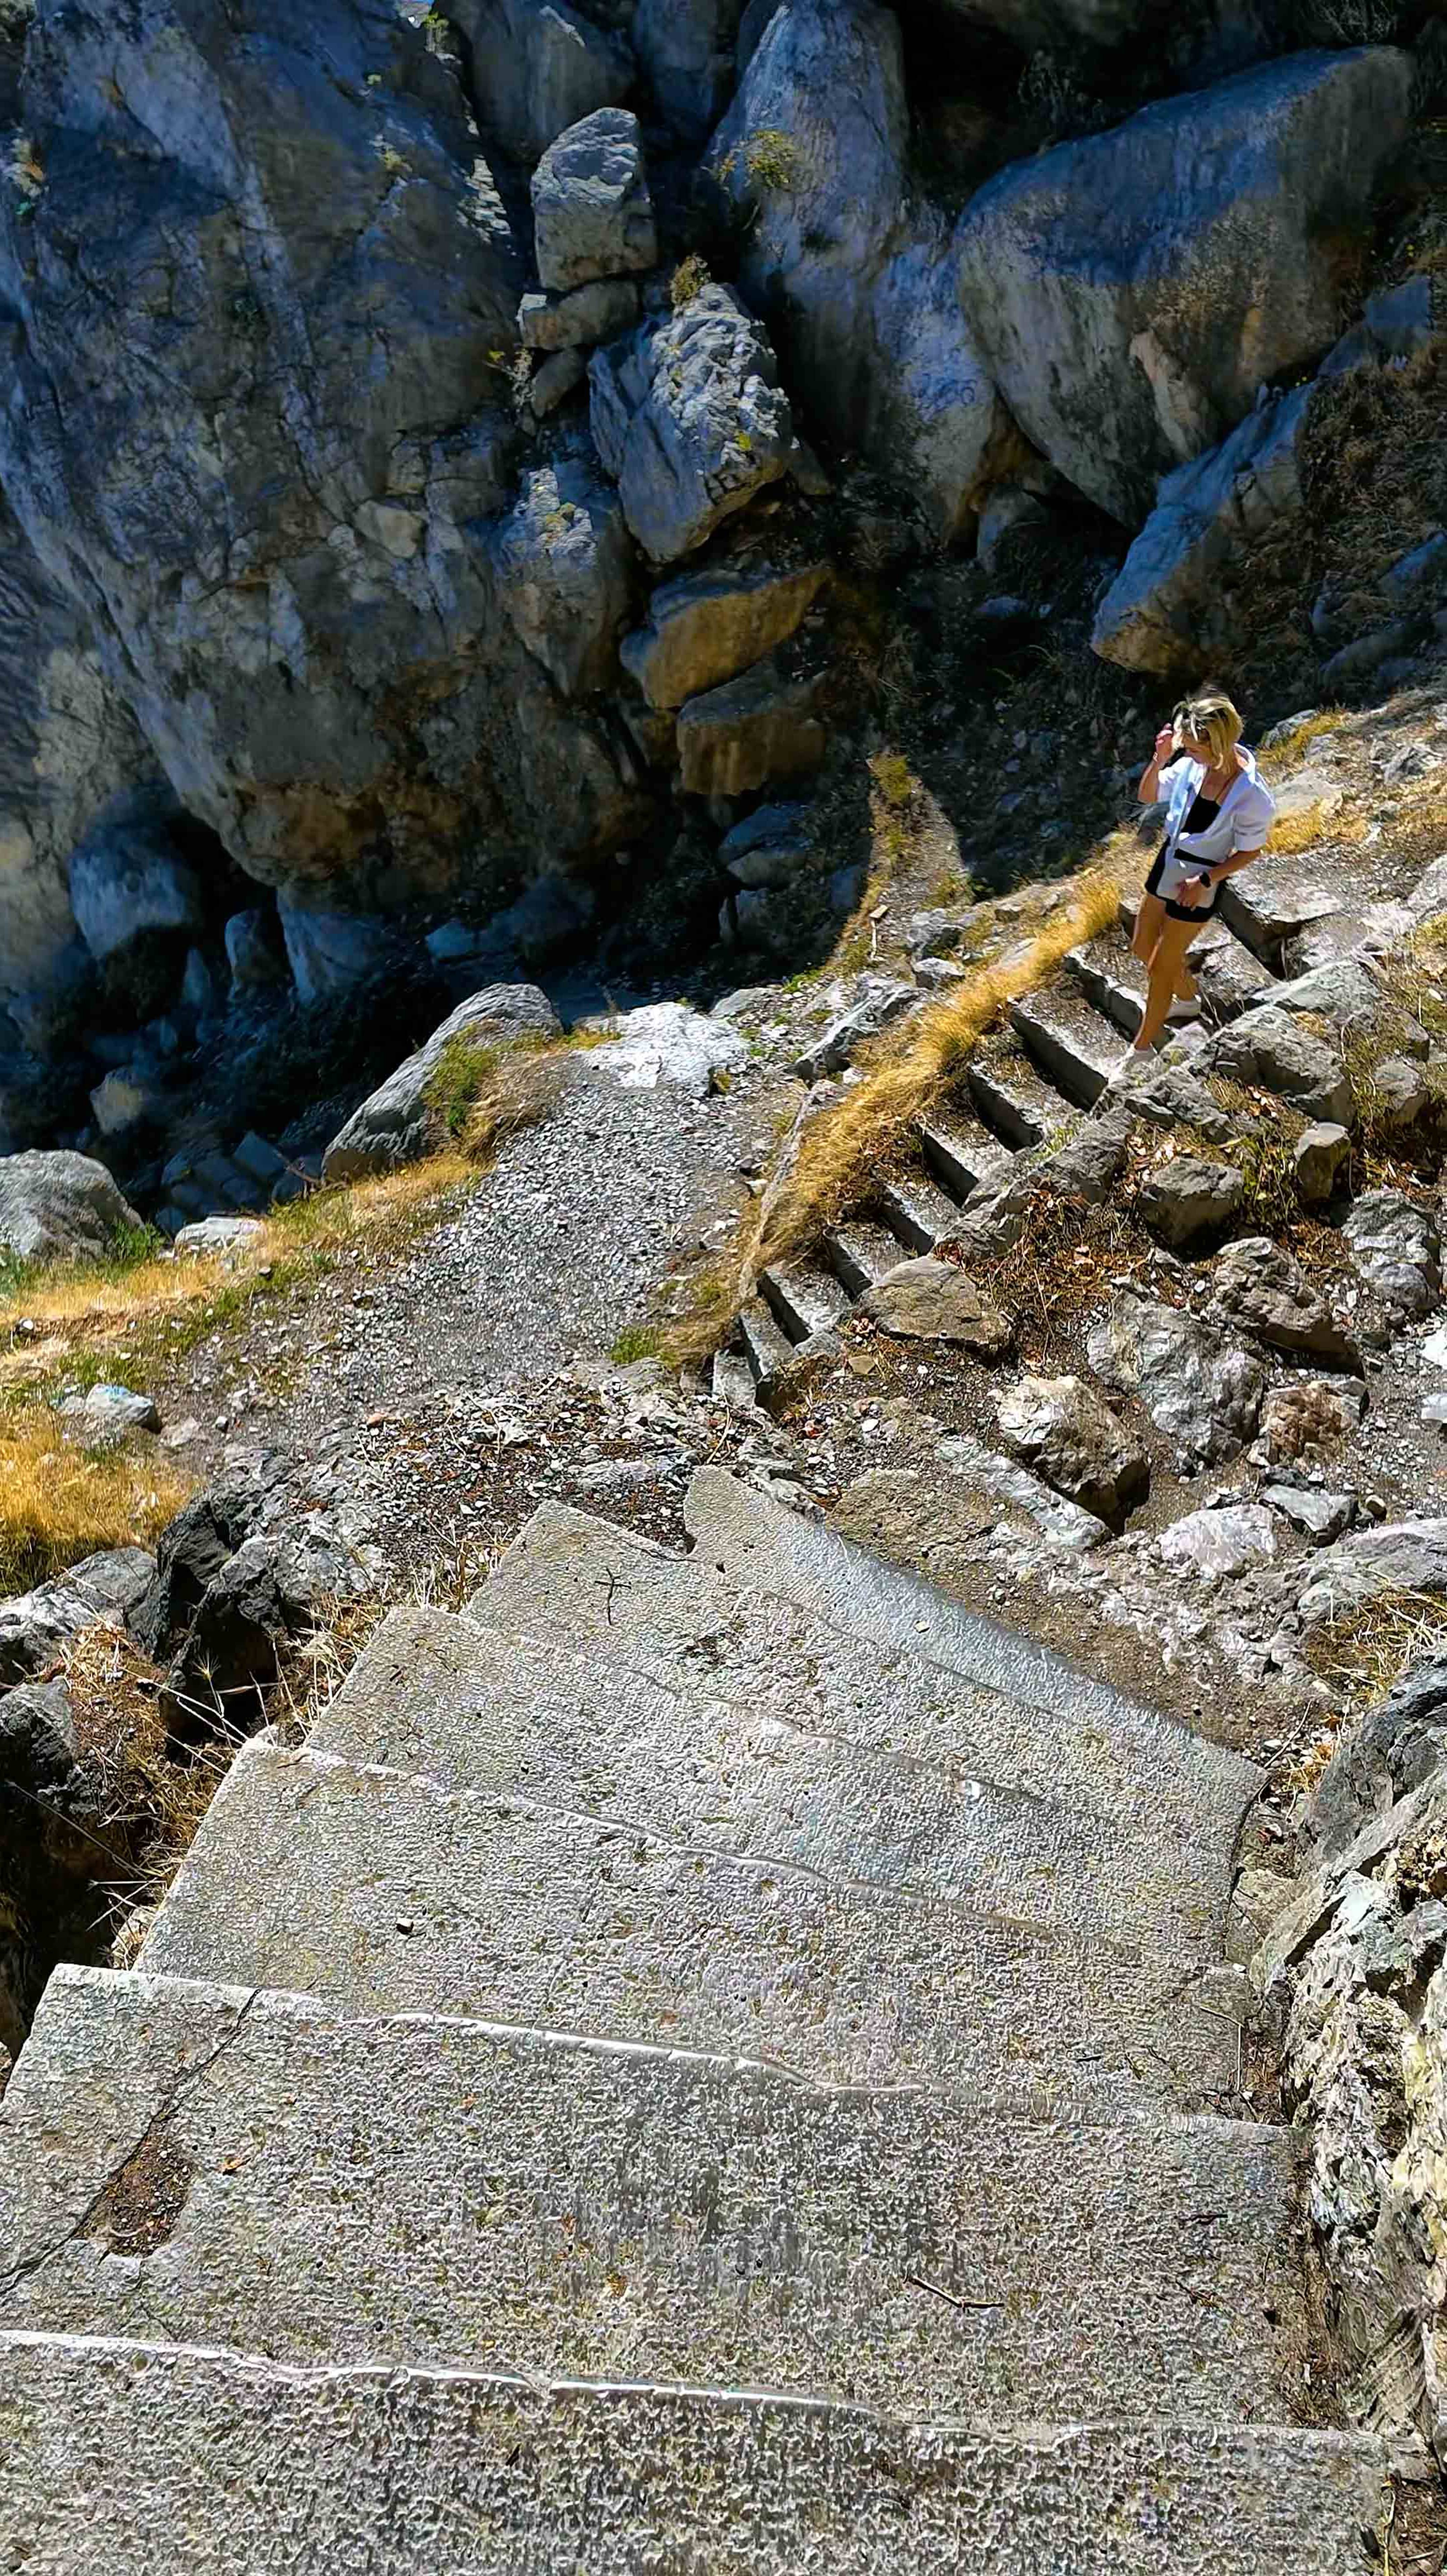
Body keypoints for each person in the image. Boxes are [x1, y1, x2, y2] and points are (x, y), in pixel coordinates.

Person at [1128, 688, 1275, 1057]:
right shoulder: (1191, 766)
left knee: (1160, 967)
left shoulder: (1252, 796)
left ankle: (1141, 1051)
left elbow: (1250, 851)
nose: (1188, 754)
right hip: (1168, 863)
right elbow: (1148, 796)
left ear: (1218, 745)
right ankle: (1188, 999)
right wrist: (1160, 760)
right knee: (1141, 946)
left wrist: (1205, 881)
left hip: (1200, 881)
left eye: (1194, 749)